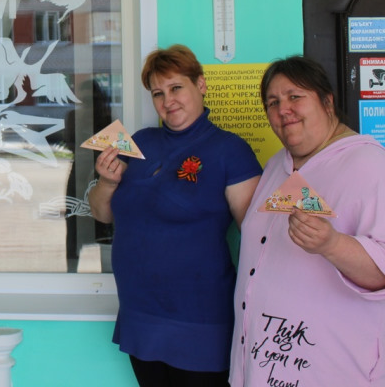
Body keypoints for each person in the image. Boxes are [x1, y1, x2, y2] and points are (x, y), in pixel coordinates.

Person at [88, 44, 261, 387]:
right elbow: (101, 214)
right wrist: (106, 182)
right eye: (158, 93)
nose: (168, 101)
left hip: (200, 320)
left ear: (201, 84)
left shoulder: (230, 150)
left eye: (176, 87)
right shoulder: (139, 143)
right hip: (140, 312)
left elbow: (258, 235)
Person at [230, 56, 385, 386]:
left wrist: (332, 244)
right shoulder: (277, 165)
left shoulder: (370, 164)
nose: (283, 109)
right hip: (263, 365)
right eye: (273, 102)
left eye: (294, 97)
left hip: (331, 371)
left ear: (327, 101)